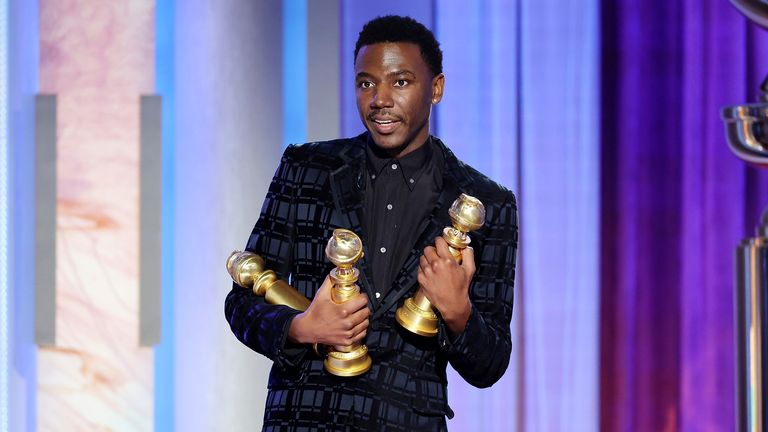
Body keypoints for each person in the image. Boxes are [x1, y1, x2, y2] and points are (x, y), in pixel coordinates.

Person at [225, 15, 518, 431]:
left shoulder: (486, 202)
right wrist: (301, 327)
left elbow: (490, 364)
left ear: (436, 88)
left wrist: (458, 311)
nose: (380, 99)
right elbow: (239, 301)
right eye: (366, 83)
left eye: (400, 82)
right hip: (304, 418)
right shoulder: (306, 169)